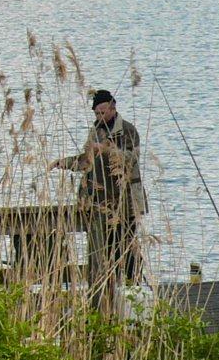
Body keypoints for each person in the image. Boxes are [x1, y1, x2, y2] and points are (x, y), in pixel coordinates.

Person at [50, 89, 147, 304]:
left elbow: (131, 159)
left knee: (128, 247)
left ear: (113, 107)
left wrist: (105, 150)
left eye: (103, 112)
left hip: (126, 201)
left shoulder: (128, 130)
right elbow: (86, 161)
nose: (99, 117)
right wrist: (63, 163)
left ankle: (135, 291)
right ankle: (108, 297)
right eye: (96, 114)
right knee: (106, 251)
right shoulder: (95, 131)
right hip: (100, 202)